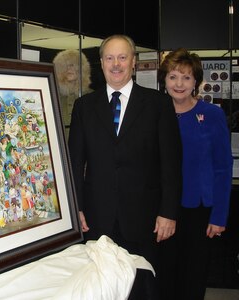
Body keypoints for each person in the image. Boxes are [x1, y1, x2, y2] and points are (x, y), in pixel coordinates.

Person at [68, 34, 183, 299]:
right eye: (110, 58)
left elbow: (171, 163)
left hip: (145, 219)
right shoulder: (84, 106)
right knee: (101, 288)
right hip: (97, 220)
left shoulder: (158, 105)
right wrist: (78, 207)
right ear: (101, 62)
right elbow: (75, 161)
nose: (116, 64)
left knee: (143, 287)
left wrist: (168, 212)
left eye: (122, 57)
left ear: (133, 62)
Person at [158, 48, 233, 300]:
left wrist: (219, 215)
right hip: (161, 210)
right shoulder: (155, 114)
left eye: (186, 77)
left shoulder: (212, 115)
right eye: (173, 77)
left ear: (196, 82)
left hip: (198, 213)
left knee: (192, 279)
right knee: (163, 279)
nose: (179, 84)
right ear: (164, 80)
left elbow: (223, 167)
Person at [53, 49, 93, 138]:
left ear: (81, 68)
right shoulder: (54, 96)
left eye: (72, 65)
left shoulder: (92, 97)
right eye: (65, 66)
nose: (69, 69)